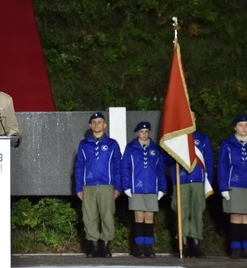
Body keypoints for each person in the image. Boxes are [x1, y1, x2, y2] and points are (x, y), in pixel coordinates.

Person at [164, 111, 214, 258]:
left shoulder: (202, 138)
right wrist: (173, 153)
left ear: (195, 119)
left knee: (197, 212)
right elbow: (165, 161)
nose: (189, 119)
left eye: (191, 117)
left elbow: (209, 161)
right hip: (181, 180)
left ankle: (196, 244)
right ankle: (184, 243)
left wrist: (208, 180)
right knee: (182, 213)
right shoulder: (175, 140)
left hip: (198, 180)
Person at [74, 111, 121, 258]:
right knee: (89, 216)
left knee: (107, 216)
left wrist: (118, 186)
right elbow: (79, 166)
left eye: (99, 122)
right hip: (88, 185)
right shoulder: (84, 144)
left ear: (104, 125)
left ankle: (105, 246)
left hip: (106, 185)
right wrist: (78, 186)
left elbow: (117, 166)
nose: (96, 124)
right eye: (94, 122)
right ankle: (93, 246)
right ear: (90, 125)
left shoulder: (112, 144)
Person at [122, 121, 167, 258]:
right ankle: (139, 247)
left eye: (146, 131)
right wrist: (126, 186)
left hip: (152, 188)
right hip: (137, 187)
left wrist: (162, 188)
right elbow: (125, 168)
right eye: (141, 132)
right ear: (137, 133)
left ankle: (149, 247)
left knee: (149, 217)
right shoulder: (131, 148)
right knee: (139, 217)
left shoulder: (155, 148)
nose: (144, 134)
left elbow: (160, 170)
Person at [218, 113, 247, 259]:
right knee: (236, 216)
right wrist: (223, 187)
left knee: (246, 217)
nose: (244, 128)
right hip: (234, 183)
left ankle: (245, 247)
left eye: (246, 125)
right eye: (241, 125)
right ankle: (235, 248)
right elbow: (222, 166)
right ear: (235, 127)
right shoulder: (228, 144)